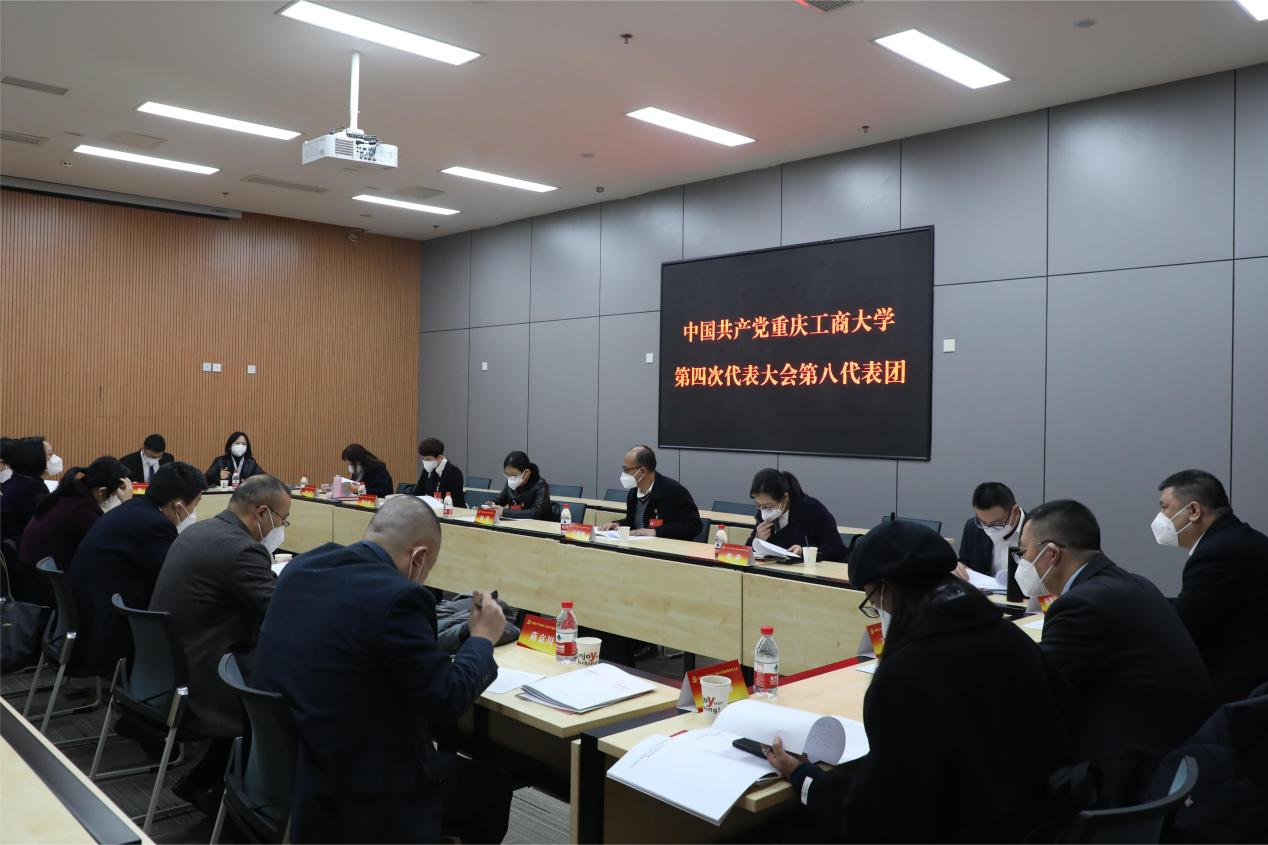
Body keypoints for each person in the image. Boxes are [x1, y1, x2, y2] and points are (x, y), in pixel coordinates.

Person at [764, 519, 1075, 841]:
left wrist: (804, 777)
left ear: (888, 588)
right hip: (1041, 825)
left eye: (872, 598)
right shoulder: (1012, 638)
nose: (876, 608)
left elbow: (879, 814)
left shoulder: (905, 673)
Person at [253, 496, 512, 843]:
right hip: (362, 788)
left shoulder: (302, 568)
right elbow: (446, 698)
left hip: (296, 764)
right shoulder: (399, 597)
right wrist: (482, 638)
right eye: (429, 568)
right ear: (418, 558)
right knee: (492, 786)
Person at [1016, 499, 1215, 804]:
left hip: (1131, 774)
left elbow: (1037, 688)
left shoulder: (1081, 605)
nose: (1021, 562)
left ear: (1051, 554)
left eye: (1023, 553)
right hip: (1179, 757)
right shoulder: (1132, 583)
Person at [150, 475, 290, 811]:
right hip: (204, 673)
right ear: (262, 513)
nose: (282, 528)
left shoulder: (198, 531)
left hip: (169, 665)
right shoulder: (243, 549)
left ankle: (207, 781)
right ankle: (243, 795)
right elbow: (280, 614)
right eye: (283, 520)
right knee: (283, 687)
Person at [68, 461, 205, 680]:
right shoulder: (154, 525)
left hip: (89, 612)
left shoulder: (136, 509)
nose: (194, 511)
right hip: (109, 626)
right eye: (196, 503)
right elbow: (171, 579)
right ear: (178, 505)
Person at [1154, 469, 1268, 704]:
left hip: (1237, 693)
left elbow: (1182, 626)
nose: (1160, 518)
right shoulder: (1241, 538)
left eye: (1165, 508)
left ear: (1194, 511)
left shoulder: (1215, 554)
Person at [19, 456, 133, 602]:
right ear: (101, 491)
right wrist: (127, 504)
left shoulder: (71, 494)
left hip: (38, 578)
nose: (117, 498)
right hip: (48, 589)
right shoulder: (82, 510)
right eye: (116, 494)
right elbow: (112, 544)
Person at [599, 445, 702, 540]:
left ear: (642, 471)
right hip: (640, 547)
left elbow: (694, 525)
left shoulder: (674, 491)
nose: (624, 474)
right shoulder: (633, 493)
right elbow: (633, 523)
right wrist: (618, 525)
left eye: (627, 470)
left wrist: (656, 532)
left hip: (667, 549)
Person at [745, 469, 846, 561]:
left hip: (808, 571)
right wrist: (757, 540)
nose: (763, 512)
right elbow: (747, 551)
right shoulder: (763, 511)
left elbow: (838, 549)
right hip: (774, 569)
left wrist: (804, 552)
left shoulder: (813, 510)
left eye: (768, 506)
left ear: (785, 498)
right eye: (758, 505)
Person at [957, 481, 1025, 580]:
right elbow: (965, 563)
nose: (990, 530)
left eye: (997, 523)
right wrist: (958, 567)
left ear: (1015, 511)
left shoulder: (1035, 531)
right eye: (983, 522)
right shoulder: (972, 527)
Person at [1, 436, 50, 547]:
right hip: (15, 549)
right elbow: (45, 524)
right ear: (36, 458)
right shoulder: (31, 487)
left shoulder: (20, 479)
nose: (50, 460)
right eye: (49, 455)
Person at [483, 450, 552, 520]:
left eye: (513, 475)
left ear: (526, 473)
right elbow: (499, 500)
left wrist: (504, 512)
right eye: (507, 475)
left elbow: (537, 513)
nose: (510, 478)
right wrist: (492, 503)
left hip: (538, 524)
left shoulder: (540, 485)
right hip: (515, 523)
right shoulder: (510, 483)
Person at [414, 437, 466, 507]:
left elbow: (457, 502)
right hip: (431, 510)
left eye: (428, 459)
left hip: (450, 511)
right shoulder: (427, 470)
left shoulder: (454, 473)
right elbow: (418, 492)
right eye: (423, 458)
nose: (425, 462)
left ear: (439, 457)